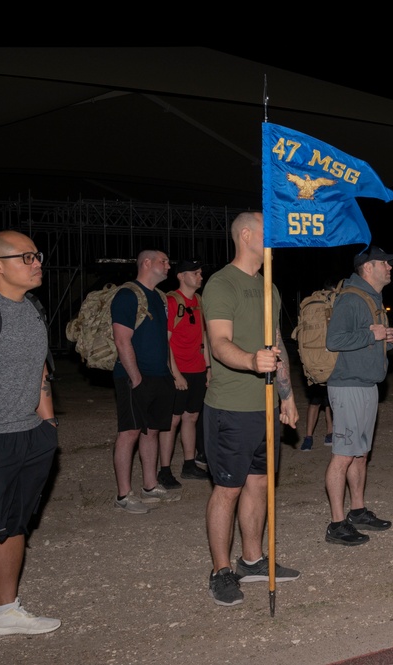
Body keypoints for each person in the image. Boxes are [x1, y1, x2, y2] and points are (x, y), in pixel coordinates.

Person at [201, 211, 300, 606]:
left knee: (260, 483)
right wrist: (249, 360)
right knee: (228, 488)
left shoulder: (269, 286)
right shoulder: (221, 284)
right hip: (231, 407)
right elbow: (219, 342)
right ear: (246, 235)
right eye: (267, 230)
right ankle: (221, 571)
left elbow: (276, 343)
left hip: (265, 406)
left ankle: (252, 560)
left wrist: (288, 396)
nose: (274, 237)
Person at [0, 231, 60, 635]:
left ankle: (4, 611)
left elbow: (40, 369)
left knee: (12, 524)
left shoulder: (32, 308)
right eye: (27, 258)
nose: (37, 264)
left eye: (37, 256)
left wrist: (48, 424)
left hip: (29, 434)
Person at [323, 246, 393, 546]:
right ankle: (336, 523)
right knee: (343, 454)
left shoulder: (372, 299)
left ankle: (357, 510)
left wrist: (388, 339)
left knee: (360, 453)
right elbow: (334, 340)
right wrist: (374, 335)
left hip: (367, 385)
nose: (390, 267)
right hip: (348, 385)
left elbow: (370, 341)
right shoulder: (352, 298)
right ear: (367, 268)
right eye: (385, 263)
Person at [111, 249, 178, 513]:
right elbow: (121, 339)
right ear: (147, 263)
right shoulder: (127, 295)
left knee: (151, 431)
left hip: (159, 375)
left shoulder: (160, 297)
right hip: (134, 376)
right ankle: (123, 495)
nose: (169, 265)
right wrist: (136, 377)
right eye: (164, 261)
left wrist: (169, 373)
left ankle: (149, 487)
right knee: (129, 433)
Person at [157, 258, 210, 486]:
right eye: (195, 273)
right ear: (181, 275)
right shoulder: (171, 301)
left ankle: (189, 464)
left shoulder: (198, 300)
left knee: (192, 417)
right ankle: (164, 470)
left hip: (197, 369)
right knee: (172, 420)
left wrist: (208, 368)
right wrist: (175, 374)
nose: (200, 276)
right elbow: (165, 342)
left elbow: (204, 338)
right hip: (178, 371)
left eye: (200, 272)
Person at [300, 383, 333, 450]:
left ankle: (330, 432)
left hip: (331, 374)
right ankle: (308, 437)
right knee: (314, 401)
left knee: (329, 401)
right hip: (316, 374)